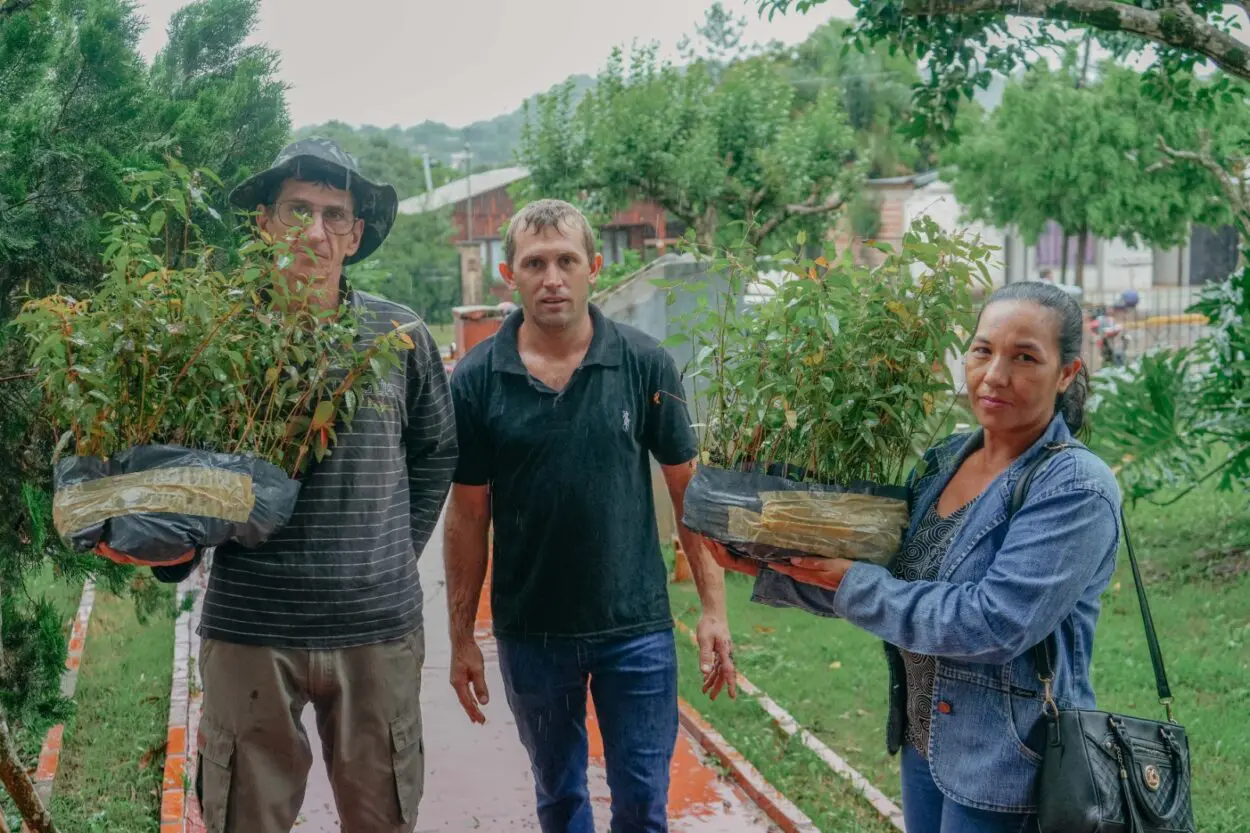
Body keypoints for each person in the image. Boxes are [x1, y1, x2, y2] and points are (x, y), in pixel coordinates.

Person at [712, 281, 1122, 833]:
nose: (995, 374)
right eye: (983, 350)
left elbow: (994, 623)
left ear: (1067, 373)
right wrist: (769, 568)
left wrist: (853, 581)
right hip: (927, 742)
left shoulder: (1073, 487)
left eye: (1025, 357)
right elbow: (895, 581)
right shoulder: (946, 459)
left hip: (1010, 765)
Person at [189, 138, 458, 833]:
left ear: (356, 232)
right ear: (263, 224)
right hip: (251, 625)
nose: (314, 231)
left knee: (382, 818)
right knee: (244, 818)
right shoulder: (223, 334)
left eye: (334, 214)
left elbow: (436, 451)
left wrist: (394, 551)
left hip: (377, 631)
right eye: (296, 210)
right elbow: (183, 470)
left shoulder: (399, 335)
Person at [443, 199, 737, 833]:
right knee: (559, 799)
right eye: (535, 263)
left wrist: (714, 610)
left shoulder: (644, 363)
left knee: (642, 803)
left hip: (636, 630)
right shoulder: (475, 382)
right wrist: (462, 634)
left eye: (566, 261)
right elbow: (468, 516)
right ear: (508, 275)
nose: (552, 278)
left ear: (593, 268)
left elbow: (691, 496)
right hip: (531, 634)